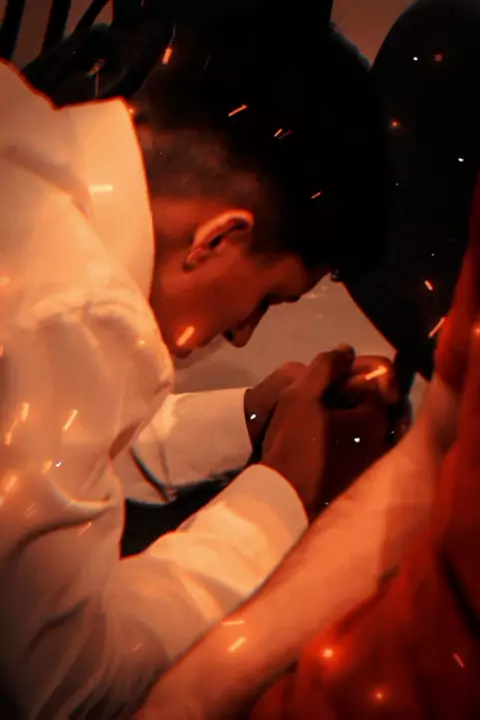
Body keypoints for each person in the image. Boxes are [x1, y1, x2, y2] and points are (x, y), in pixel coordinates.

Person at [0, 12, 396, 718]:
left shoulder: (22, 134)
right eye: (267, 299)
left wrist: (248, 419)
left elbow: (47, 462)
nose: (242, 336)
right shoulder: (75, 309)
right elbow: (68, 687)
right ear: (217, 239)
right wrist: (281, 491)